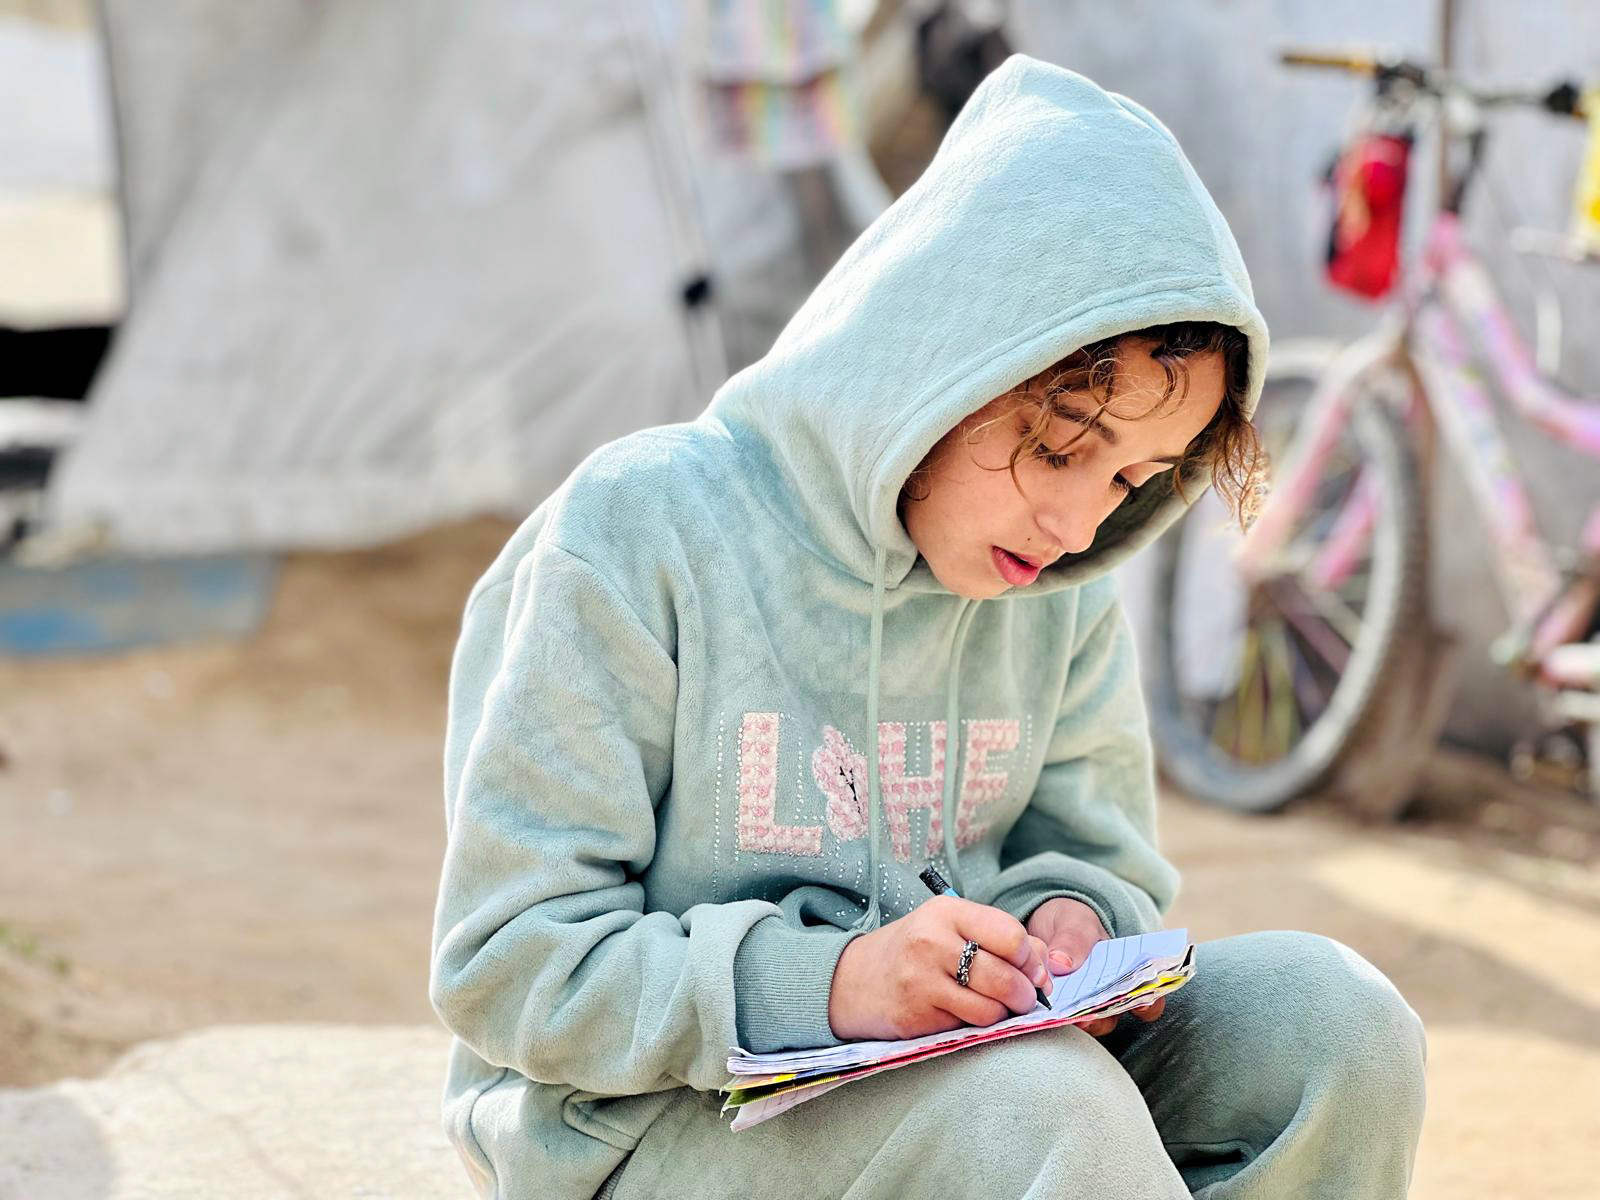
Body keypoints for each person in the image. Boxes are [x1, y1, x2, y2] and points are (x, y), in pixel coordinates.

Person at [429, 55, 1426, 1199]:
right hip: (648, 1124)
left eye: (1131, 480)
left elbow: (1097, 856)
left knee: (1336, 1022)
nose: (1076, 522)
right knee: (1041, 1109)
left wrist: (1069, 922)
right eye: (1058, 449)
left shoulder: (1058, 582)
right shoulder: (639, 530)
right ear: (936, 366)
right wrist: (833, 983)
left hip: (971, 1078)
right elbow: (510, 965)